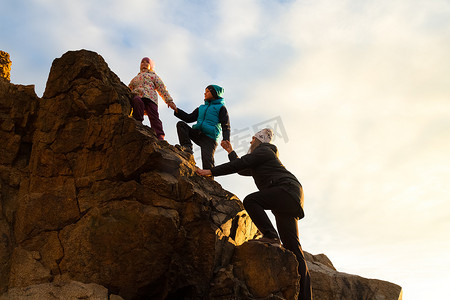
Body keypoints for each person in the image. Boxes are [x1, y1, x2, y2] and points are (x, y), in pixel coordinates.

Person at [196, 128, 313, 300]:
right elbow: (242, 168)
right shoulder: (262, 157)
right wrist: (230, 152)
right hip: (290, 197)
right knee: (293, 248)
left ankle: (271, 235)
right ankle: (305, 297)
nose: (250, 142)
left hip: (286, 190)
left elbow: (241, 164)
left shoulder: (264, 151)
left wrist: (210, 171)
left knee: (251, 201)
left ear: (259, 140)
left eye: (252, 139)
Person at [170, 85, 230, 169]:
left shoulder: (221, 108)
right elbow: (189, 118)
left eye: (208, 91)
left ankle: (209, 180)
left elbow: (225, 125)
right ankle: (187, 148)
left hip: (210, 138)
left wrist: (226, 140)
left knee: (207, 163)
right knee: (181, 125)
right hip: (198, 133)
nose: (205, 93)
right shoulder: (201, 108)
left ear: (214, 93)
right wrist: (176, 109)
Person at [128, 57, 176, 140]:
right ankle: (137, 122)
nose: (144, 64)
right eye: (142, 62)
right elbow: (129, 88)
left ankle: (160, 135)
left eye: (147, 62)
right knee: (136, 101)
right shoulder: (135, 78)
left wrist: (169, 101)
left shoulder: (154, 76)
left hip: (151, 98)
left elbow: (162, 89)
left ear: (151, 66)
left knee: (154, 116)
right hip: (138, 95)